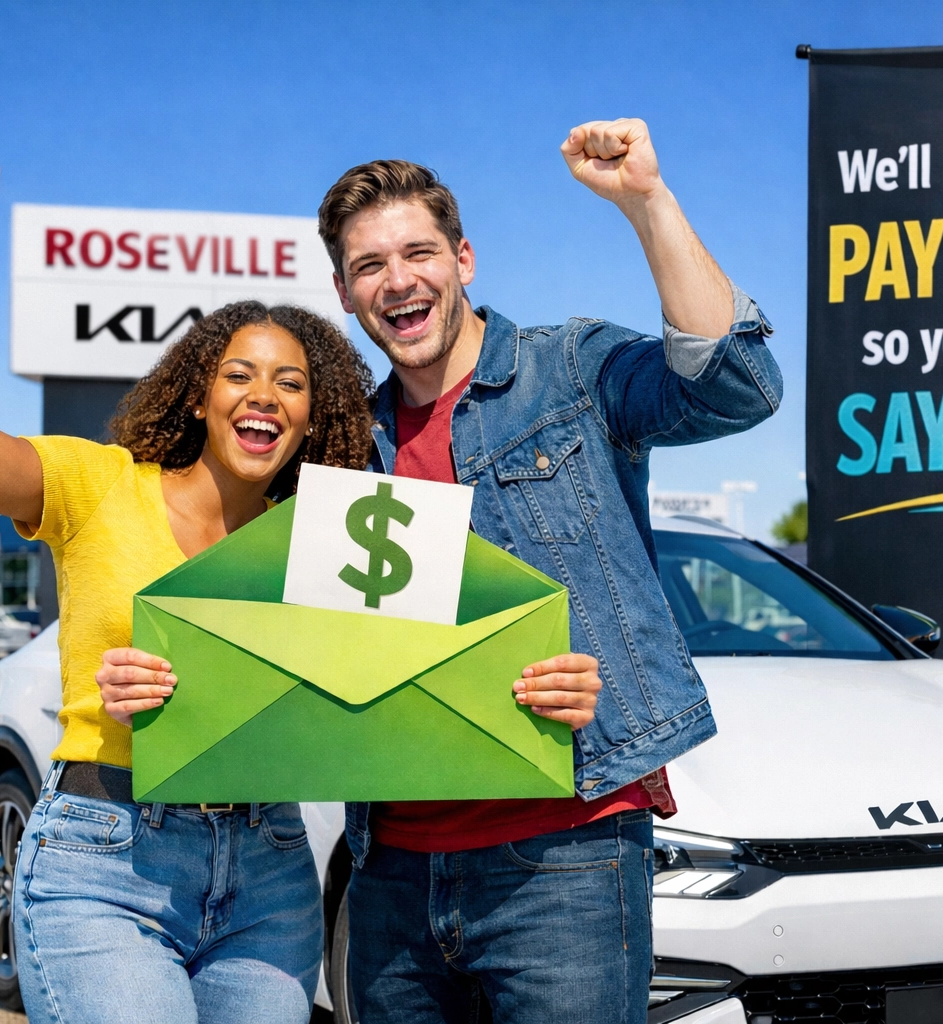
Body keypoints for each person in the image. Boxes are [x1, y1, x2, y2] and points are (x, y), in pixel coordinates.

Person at [0, 147, 378, 1023]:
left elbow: (372, 686)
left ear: (313, 415)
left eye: (291, 383)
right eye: (239, 374)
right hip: (105, 856)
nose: (264, 395)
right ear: (197, 397)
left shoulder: (326, 542)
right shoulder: (94, 485)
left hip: (271, 871)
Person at [317, 119, 783, 1023]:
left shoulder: (565, 372)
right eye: (369, 266)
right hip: (390, 877)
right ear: (344, 291)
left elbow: (737, 385)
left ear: (463, 258)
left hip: (565, 861)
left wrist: (646, 200)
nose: (398, 279)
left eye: (419, 252)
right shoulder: (346, 446)